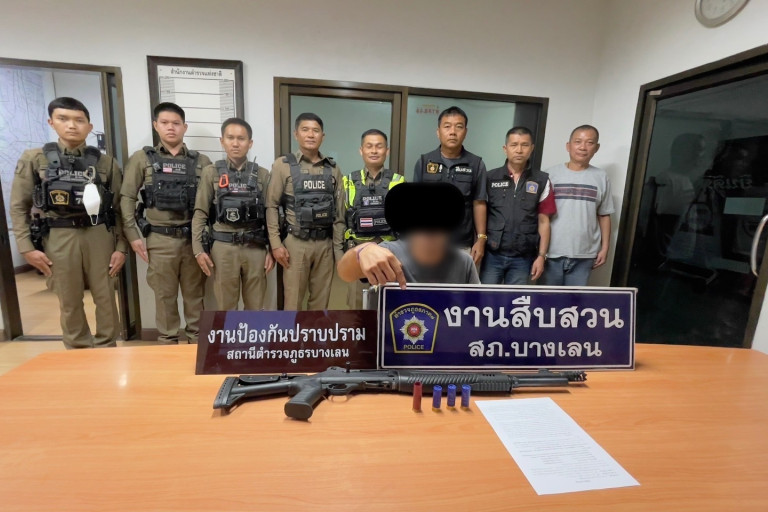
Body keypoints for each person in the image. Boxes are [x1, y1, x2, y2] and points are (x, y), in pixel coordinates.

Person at [10, 97, 126, 348]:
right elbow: (19, 206)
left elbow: (119, 209)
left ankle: (107, 346)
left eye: (79, 120)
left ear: (89, 126)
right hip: (58, 235)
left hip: (99, 234)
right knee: (69, 298)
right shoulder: (35, 159)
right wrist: (26, 247)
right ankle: (77, 347)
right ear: (51, 122)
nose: (72, 125)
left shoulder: (106, 162)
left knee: (106, 296)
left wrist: (121, 248)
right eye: (63, 119)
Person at [120, 102, 212, 343]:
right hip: (159, 240)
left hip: (192, 240)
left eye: (176, 123)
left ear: (184, 127)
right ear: (156, 125)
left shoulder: (202, 162)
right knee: (164, 297)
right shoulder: (142, 159)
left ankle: (196, 344)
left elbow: (211, 203)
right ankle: (168, 344)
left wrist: (206, 240)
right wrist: (133, 235)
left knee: (195, 296)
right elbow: (127, 197)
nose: (171, 128)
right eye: (164, 123)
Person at [191, 118, 274, 310]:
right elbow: (201, 212)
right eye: (230, 138)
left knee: (256, 306)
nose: (235, 143)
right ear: (222, 141)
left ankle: (252, 332)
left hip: (255, 247)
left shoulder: (262, 174)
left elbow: (270, 213)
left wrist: (272, 248)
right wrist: (198, 249)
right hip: (223, 248)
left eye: (241, 138)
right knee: (226, 307)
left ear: (250, 143)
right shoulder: (211, 172)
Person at [265, 113, 345, 310]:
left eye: (315, 130)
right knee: (292, 303)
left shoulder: (333, 169)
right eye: (305, 129)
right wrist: (275, 244)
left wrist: (338, 251)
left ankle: (314, 333)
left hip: (325, 245)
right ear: (296, 134)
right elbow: (271, 206)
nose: (310, 135)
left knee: (320, 304)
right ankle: (292, 333)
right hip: (296, 244)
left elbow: (339, 215)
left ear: (322, 136)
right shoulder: (282, 165)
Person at [338, 182, 479, 286]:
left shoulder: (464, 262)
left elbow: (478, 306)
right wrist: (363, 251)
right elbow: (345, 273)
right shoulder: (388, 253)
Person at [412, 106, 488, 266]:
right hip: (429, 243)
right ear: (438, 131)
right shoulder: (424, 162)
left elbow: (479, 202)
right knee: (429, 282)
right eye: (447, 126)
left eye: (459, 127)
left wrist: (481, 239)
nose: (452, 132)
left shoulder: (476, 164)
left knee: (460, 283)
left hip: (461, 244)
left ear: (465, 132)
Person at [481, 127, 556, 285]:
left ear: (532, 148)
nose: (519, 150)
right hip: (492, 255)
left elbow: (544, 222)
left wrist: (541, 256)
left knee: (515, 299)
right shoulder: (490, 178)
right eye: (514, 145)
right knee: (486, 298)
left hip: (523, 257)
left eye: (525, 145)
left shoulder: (542, 180)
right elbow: (480, 214)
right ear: (505, 149)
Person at [541, 125, 615, 286]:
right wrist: (540, 251)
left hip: (585, 255)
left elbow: (604, 215)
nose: (583, 147)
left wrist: (605, 248)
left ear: (597, 148)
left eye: (589, 142)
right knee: (547, 299)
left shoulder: (601, 177)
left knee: (574, 300)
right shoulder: (549, 175)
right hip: (551, 252)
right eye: (578, 141)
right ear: (568, 146)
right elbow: (540, 216)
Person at [342, 129, 405, 308]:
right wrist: (342, 256)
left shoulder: (398, 181)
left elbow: (405, 224)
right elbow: (340, 221)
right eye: (369, 146)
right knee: (357, 310)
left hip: (389, 256)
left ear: (387, 151)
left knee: (388, 309)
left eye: (379, 146)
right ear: (361, 150)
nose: (374, 151)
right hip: (358, 256)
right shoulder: (348, 181)